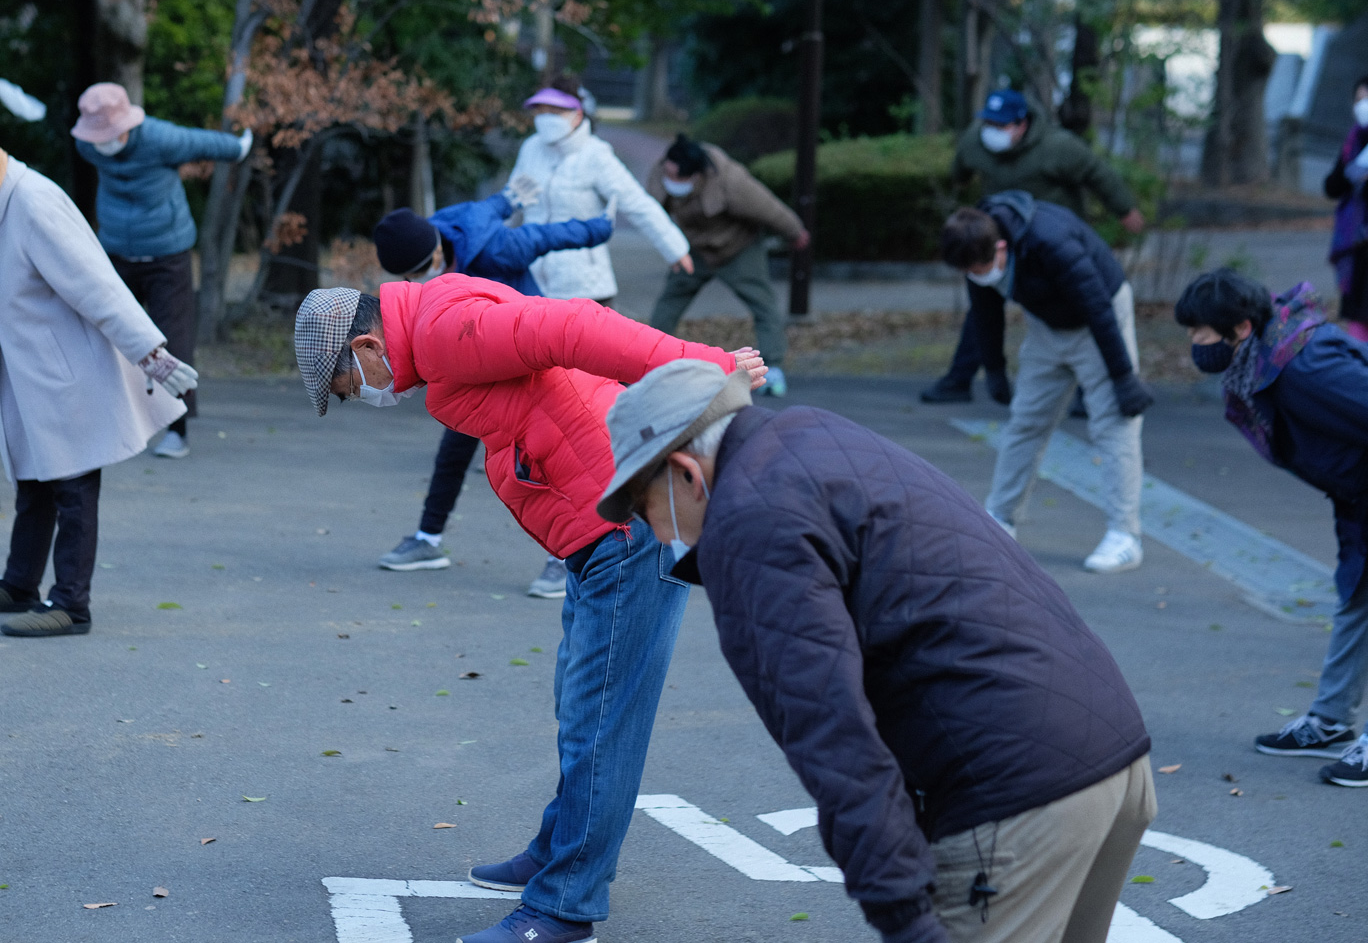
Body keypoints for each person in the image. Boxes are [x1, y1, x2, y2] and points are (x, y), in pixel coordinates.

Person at [595, 358, 1155, 943]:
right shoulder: (813, 433)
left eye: (642, 507)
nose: (656, 534)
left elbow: (829, 734)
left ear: (685, 472)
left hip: (1015, 795)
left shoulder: (747, 525)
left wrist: (903, 914)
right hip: (1113, 754)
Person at [293, 275, 762, 943]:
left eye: (349, 387)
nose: (366, 397)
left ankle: (565, 907)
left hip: (625, 520)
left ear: (367, 344)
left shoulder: (439, 333)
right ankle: (560, 848)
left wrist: (706, 370)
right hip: (601, 522)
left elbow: (575, 326)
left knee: (600, 718)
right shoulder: (434, 332)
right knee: (585, 707)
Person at [0, 109, 196, 638]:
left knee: (72, 483)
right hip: (31, 373)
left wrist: (151, 353)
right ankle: (20, 582)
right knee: (33, 480)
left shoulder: (32, 202)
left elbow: (99, 285)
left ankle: (71, 603)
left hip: (66, 373)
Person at [368, 184, 615, 589]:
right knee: (454, 448)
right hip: (469, 360)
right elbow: (484, 208)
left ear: (435, 252)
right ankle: (428, 538)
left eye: (418, 270)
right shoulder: (440, 231)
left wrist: (599, 228)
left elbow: (545, 237)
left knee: (544, 456)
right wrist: (509, 198)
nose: (415, 280)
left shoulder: (495, 249)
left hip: (527, 357)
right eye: (407, 276)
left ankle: (564, 555)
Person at [1175, 270, 1368, 787]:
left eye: (1201, 334)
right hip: (1356, 493)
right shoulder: (1270, 356)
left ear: (1239, 327)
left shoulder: (1303, 368)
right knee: (1355, 595)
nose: (1195, 345)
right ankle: (1330, 720)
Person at [506, 74, 695, 596]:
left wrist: (673, 246)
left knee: (588, 419)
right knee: (547, 419)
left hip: (587, 295)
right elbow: (514, 203)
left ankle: (617, 524)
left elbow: (637, 203)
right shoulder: (531, 149)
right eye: (536, 107)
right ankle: (572, 540)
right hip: (536, 293)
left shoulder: (597, 154)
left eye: (552, 108)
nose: (543, 117)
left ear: (575, 112)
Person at [941, 190, 1154, 572]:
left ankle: (1125, 536)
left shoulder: (1050, 241)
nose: (978, 277)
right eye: (970, 273)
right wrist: (993, 368)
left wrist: (1123, 376)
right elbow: (984, 311)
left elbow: (1096, 304)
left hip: (1099, 321)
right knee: (1025, 422)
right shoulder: (975, 244)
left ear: (1002, 247)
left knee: (1113, 425)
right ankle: (1000, 519)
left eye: (982, 268)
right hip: (1047, 325)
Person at [922, 88, 1145, 406]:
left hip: (1051, 241)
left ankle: (1093, 390)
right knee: (983, 304)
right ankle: (962, 377)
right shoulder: (976, 141)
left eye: (1001, 126)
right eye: (989, 124)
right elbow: (960, 168)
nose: (993, 132)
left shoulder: (1058, 147)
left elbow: (1098, 173)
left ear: (1022, 124)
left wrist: (1124, 209)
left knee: (1082, 303)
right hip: (996, 240)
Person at [72, 82, 251, 459]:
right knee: (107, 334)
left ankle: (178, 428)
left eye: (109, 133)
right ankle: (108, 420)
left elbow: (203, 143)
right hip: (116, 252)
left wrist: (239, 146)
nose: (102, 142)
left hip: (167, 253)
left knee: (173, 337)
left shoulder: (159, 138)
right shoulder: (86, 144)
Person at [645, 134, 809, 398]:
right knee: (670, 301)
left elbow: (768, 207)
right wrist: (671, 248)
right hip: (694, 250)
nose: (670, 180)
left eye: (679, 178)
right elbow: (649, 210)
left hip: (737, 248)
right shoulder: (661, 172)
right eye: (668, 173)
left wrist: (795, 232)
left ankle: (773, 365)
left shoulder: (729, 181)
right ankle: (647, 360)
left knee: (762, 302)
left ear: (697, 176)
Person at [1322, 75, 1368, 344]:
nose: (1363, 105)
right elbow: (1332, 186)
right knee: (1358, 320)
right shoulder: (1354, 141)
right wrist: (1352, 175)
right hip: (1357, 247)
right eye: (1359, 100)